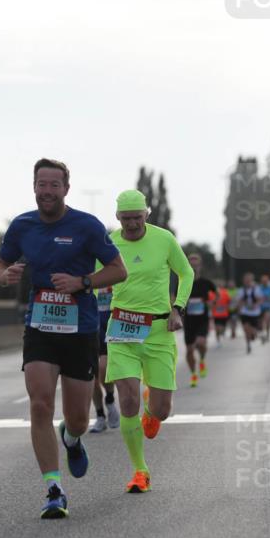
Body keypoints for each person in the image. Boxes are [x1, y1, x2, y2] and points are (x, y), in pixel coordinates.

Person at [0, 158, 127, 519]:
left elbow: (119, 270)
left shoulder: (86, 226)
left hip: (80, 329)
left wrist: (83, 282)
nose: (47, 191)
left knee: (78, 418)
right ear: (34, 187)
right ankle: (54, 489)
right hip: (40, 326)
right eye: (42, 184)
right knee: (39, 404)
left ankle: (72, 437)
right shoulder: (22, 225)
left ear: (66, 188)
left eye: (54, 185)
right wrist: (4, 275)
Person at [104, 190, 194, 494]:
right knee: (128, 400)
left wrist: (178, 308)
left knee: (162, 410)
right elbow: (93, 276)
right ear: (117, 217)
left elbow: (186, 273)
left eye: (137, 218)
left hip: (158, 330)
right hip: (122, 328)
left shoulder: (164, 239)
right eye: (126, 218)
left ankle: (152, 414)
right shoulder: (109, 243)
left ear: (146, 215)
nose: (132, 224)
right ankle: (140, 471)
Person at [89, 274, 121, 432]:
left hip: (110, 324)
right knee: (91, 378)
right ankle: (100, 415)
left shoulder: (117, 268)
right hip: (90, 325)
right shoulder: (88, 269)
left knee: (103, 369)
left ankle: (110, 400)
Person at [183, 254, 217, 386]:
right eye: (191, 265)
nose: (193, 267)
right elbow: (173, 297)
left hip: (202, 319)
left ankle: (202, 360)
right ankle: (193, 374)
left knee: (201, 343)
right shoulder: (183, 281)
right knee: (189, 350)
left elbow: (217, 294)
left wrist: (212, 303)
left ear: (200, 266)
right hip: (188, 320)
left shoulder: (206, 282)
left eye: (196, 265)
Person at [235, 272, 264, 354]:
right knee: (246, 329)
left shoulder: (257, 289)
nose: (247, 281)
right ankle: (248, 345)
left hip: (254, 313)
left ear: (252, 280)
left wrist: (256, 305)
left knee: (253, 332)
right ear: (244, 281)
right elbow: (238, 301)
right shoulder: (241, 290)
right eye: (246, 280)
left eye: (249, 280)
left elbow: (261, 299)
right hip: (244, 313)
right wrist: (239, 308)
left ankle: (256, 335)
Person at [211, 281, 231, 346]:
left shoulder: (225, 292)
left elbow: (229, 301)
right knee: (217, 328)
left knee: (221, 329)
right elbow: (210, 302)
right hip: (216, 314)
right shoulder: (212, 293)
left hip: (224, 314)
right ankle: (218, 341)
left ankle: (222, 334)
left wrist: (226, 306)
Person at [259, 273, 270, 343]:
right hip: (260, 307)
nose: (264, 282)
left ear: (268, 281)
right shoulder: (259, 288)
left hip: (269, 307)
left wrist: (268, 298)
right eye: (263, 281)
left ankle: (268, 334)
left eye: (265, 281)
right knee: (261, 322)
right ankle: (263, 334)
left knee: (267, 321)